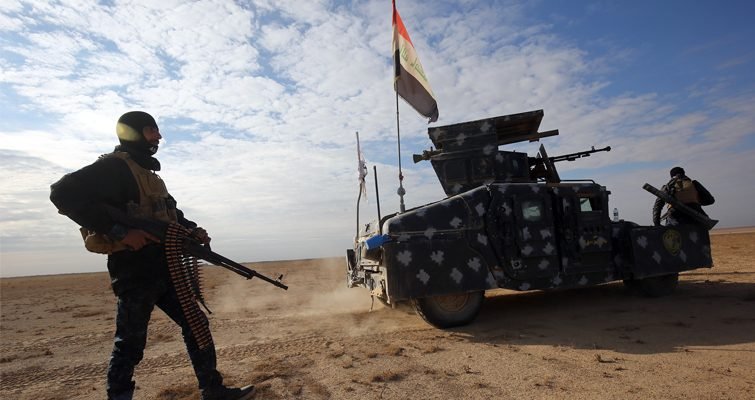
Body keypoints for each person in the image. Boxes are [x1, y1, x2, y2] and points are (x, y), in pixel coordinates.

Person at [49, 111, 255, 400]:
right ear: (133, 133)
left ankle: (213, 389)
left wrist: (192, 229)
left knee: (196, 324)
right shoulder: (113, 167)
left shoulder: (150, 176)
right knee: (130, 342)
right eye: (150, 130)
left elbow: (169, 215)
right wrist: (120, 232)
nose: (158, 136)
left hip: (166, 265)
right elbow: (61, 192)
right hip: (134, 269)